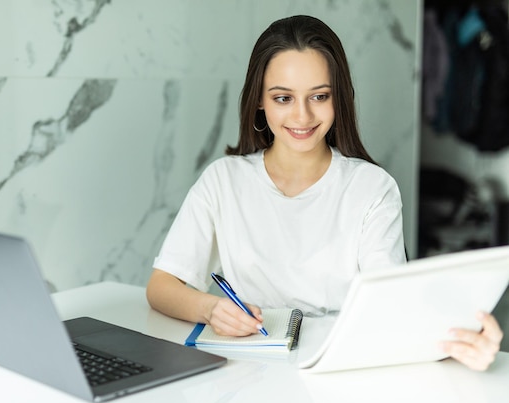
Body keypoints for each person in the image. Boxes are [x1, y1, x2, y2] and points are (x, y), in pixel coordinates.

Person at [146, 15, 503, 371]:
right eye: (283, 97)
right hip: (241, 372)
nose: (302, 116)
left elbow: (391, 308)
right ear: (259, 100)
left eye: (319, 96)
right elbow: (161, 286)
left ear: (339, 98)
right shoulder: (223, 180)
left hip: (341, 369)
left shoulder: (372, 189)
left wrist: (458, 342)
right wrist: (210, 309)